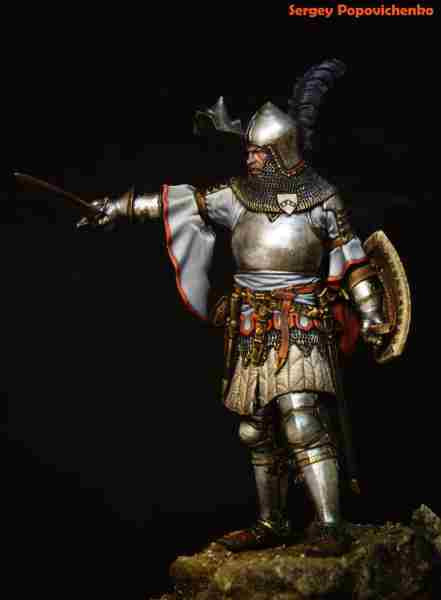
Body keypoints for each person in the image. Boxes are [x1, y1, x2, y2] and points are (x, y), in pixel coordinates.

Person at [77, 60, 401, 557]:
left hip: (299, 320)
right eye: (249, 151)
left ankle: (330, 524)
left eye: (256, 151)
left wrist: (372, 312)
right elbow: (182, 204)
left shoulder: (322, 199)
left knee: (302, 420)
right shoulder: (238, 196)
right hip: (249, 323)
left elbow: (353, 260)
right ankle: (272, 522)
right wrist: (119, 207)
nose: (248, 158)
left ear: (279, 151)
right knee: (254, 427)